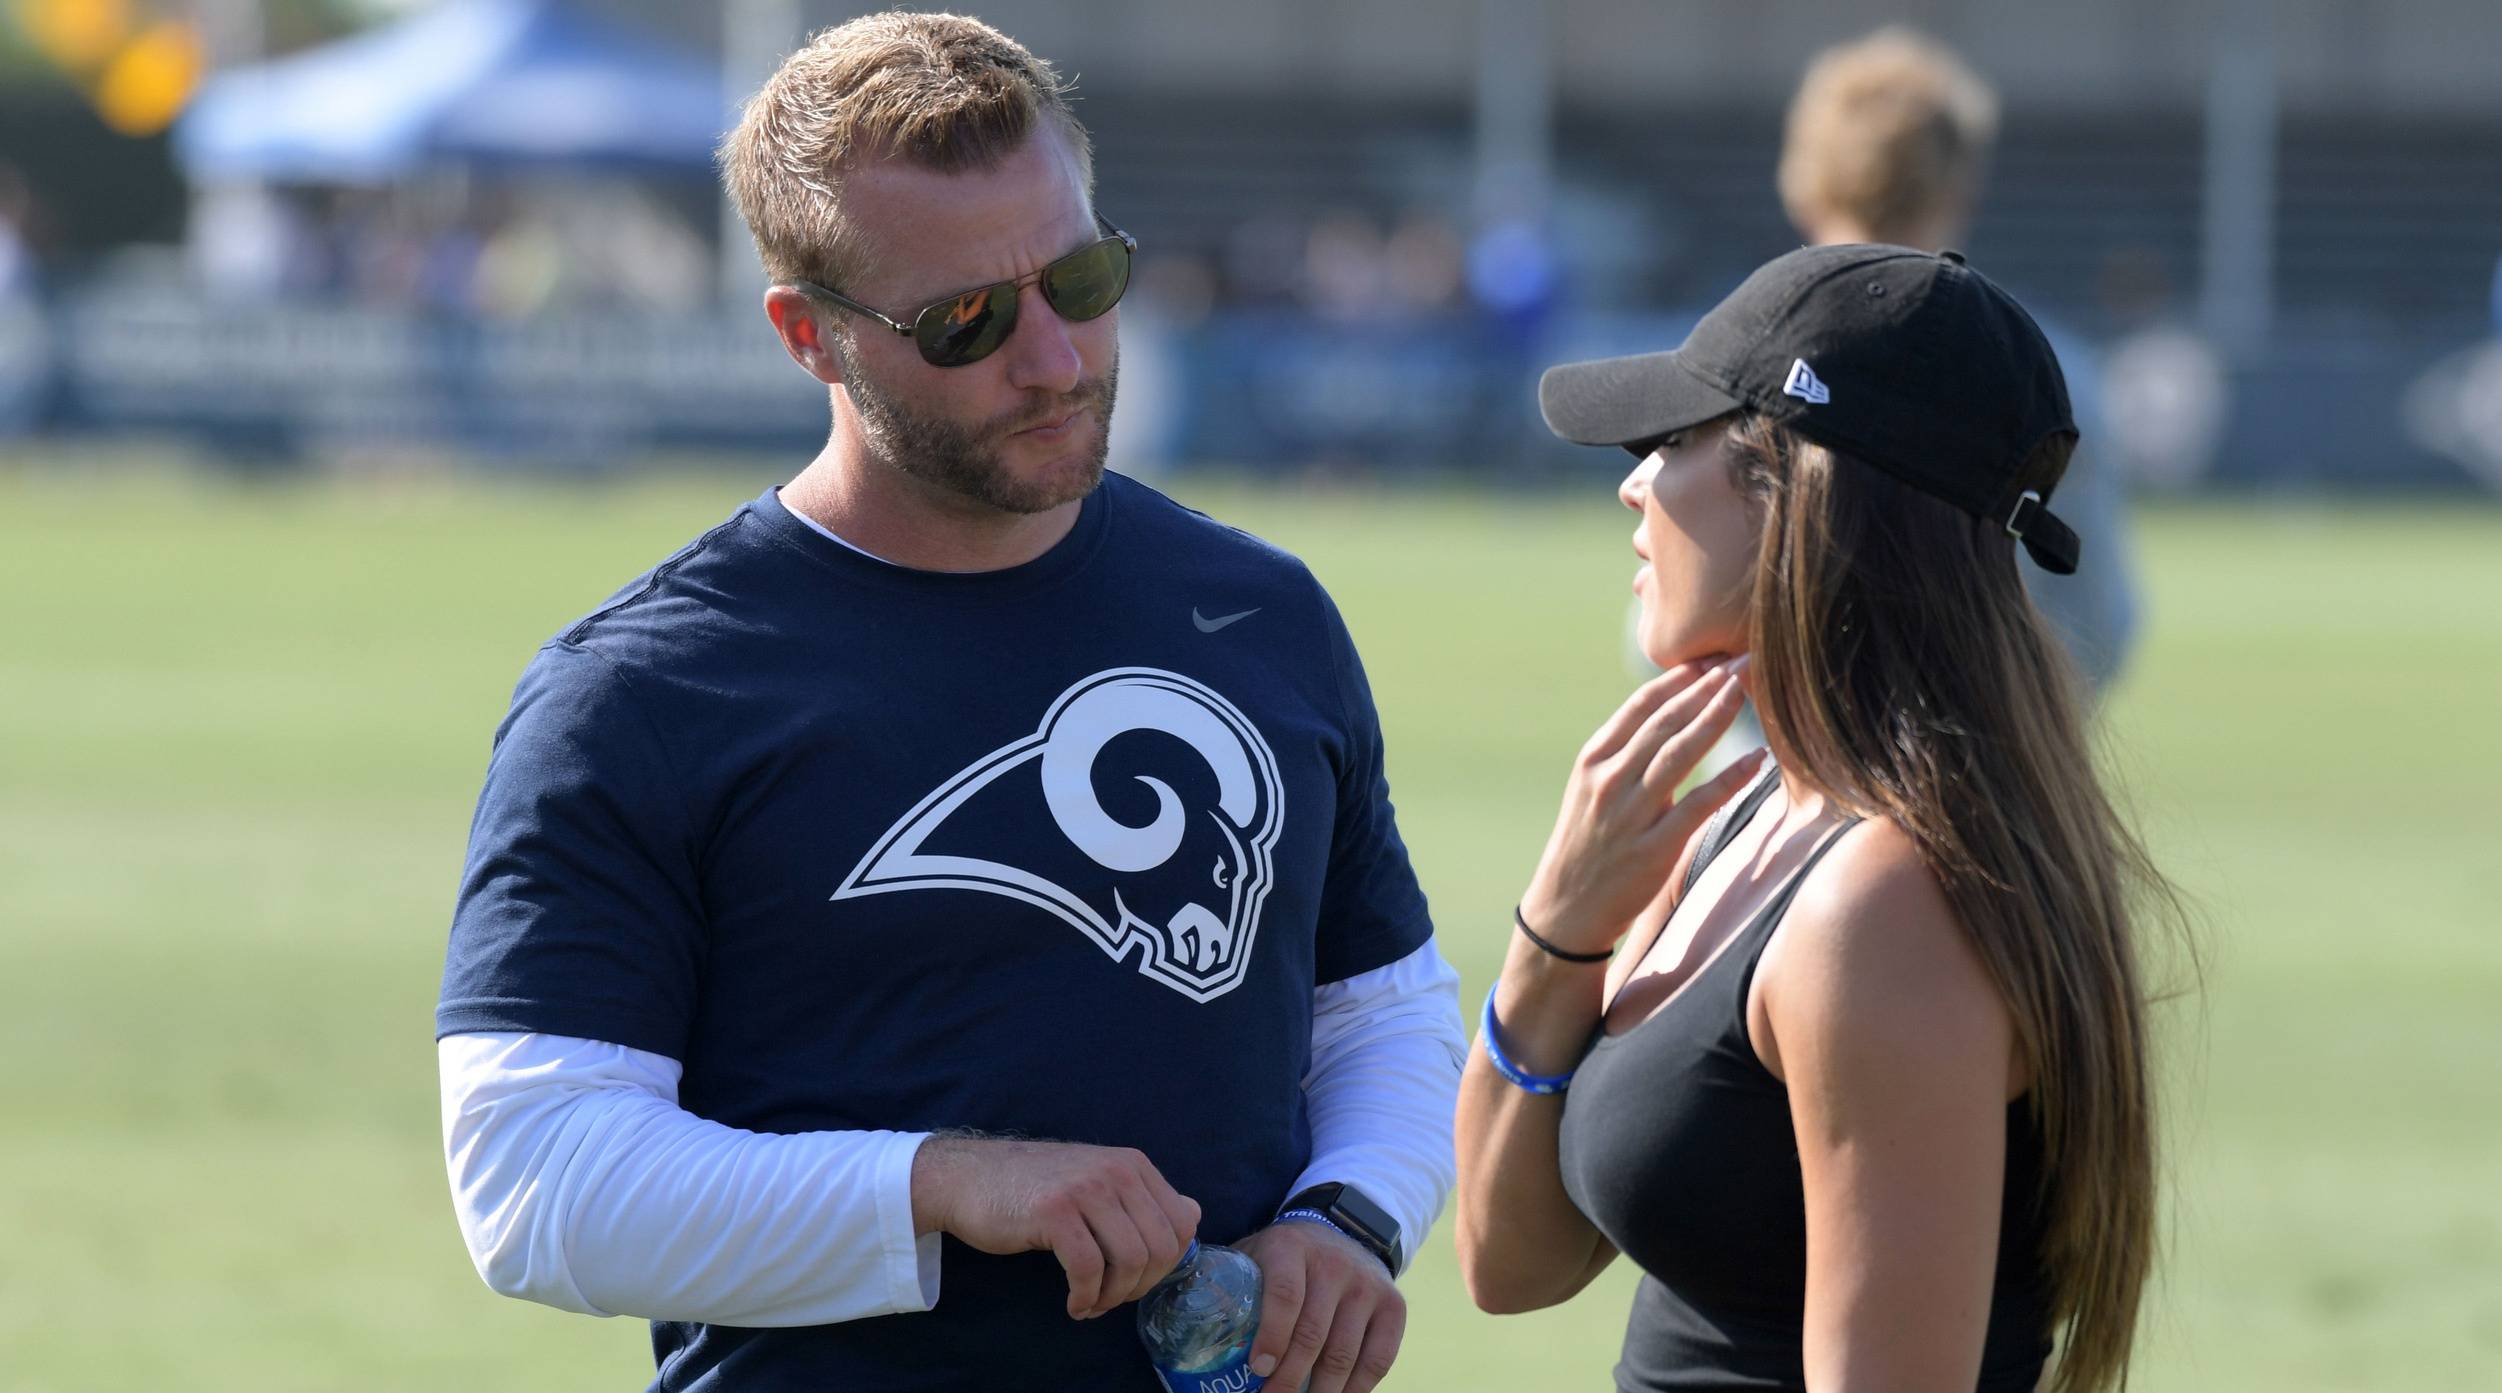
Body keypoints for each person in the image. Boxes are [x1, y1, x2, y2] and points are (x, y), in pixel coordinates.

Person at [434, 15, 1462, 1393]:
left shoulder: (1260, 610)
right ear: (809, 336)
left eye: (1081, 280)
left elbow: (1380, 1008)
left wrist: (1348, 1216)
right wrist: (942, 1183)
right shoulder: (639, 692)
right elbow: (534, 1177)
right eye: (965, 320)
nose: (1054, 358)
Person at [1454, 244, 2184, 1393]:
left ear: (1788, 491)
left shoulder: (1885, 908)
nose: (1633, 487)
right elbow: (1511, 1262)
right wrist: (1557, 934)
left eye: (1674, 441)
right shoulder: (1746, 813)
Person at [1777, 27, 2141, 691]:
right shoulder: (2046, 374)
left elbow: (1670, 628)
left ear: (1803, 182)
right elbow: (2098, 624)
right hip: (1982, 740)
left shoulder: (1742, 362)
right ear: (1959, 188)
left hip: (1780, 747)